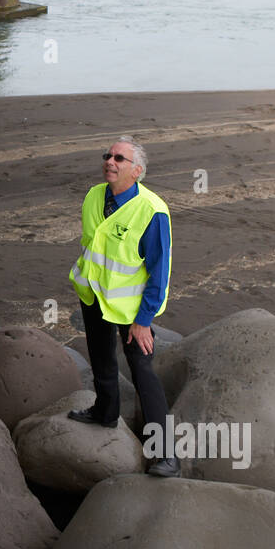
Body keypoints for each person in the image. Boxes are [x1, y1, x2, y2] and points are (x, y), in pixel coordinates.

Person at [68, 136, 178, 477]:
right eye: (107, 156)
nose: (110, 162)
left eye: (119, 158)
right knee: (100, 360)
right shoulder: (93, 196)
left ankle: (166, 455)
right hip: (94, 296)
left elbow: (160, 271)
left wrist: (144, 321)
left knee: (143, 372)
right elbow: (93, 245)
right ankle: (105, 411)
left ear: (138, 171)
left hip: (132, 309)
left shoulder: (152, 210)